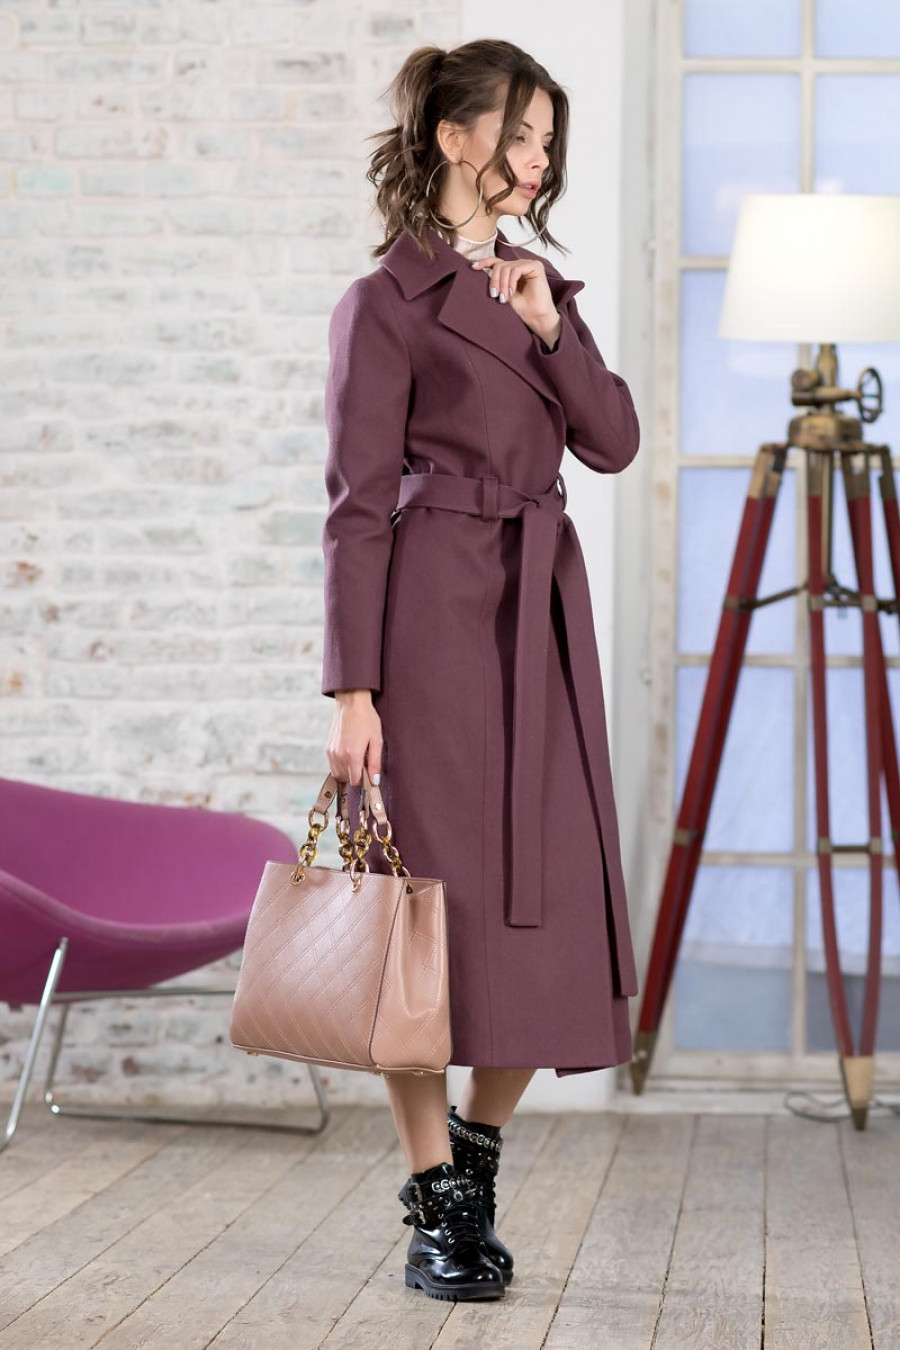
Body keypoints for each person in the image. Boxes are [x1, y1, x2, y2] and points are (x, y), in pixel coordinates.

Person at [320, 38, 641, 1302]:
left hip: (539, 620)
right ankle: (435, 1202)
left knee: (543, 899)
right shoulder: (384, 303)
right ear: (455, 137)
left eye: (549, 141)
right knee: (423, 911)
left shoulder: (542, 289)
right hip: (432, 626)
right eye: (519, 134)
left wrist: (551, 328)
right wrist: (354, 691)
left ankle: (476, 1155)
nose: (537, 159)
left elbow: (612, 441)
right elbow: (355, 509)